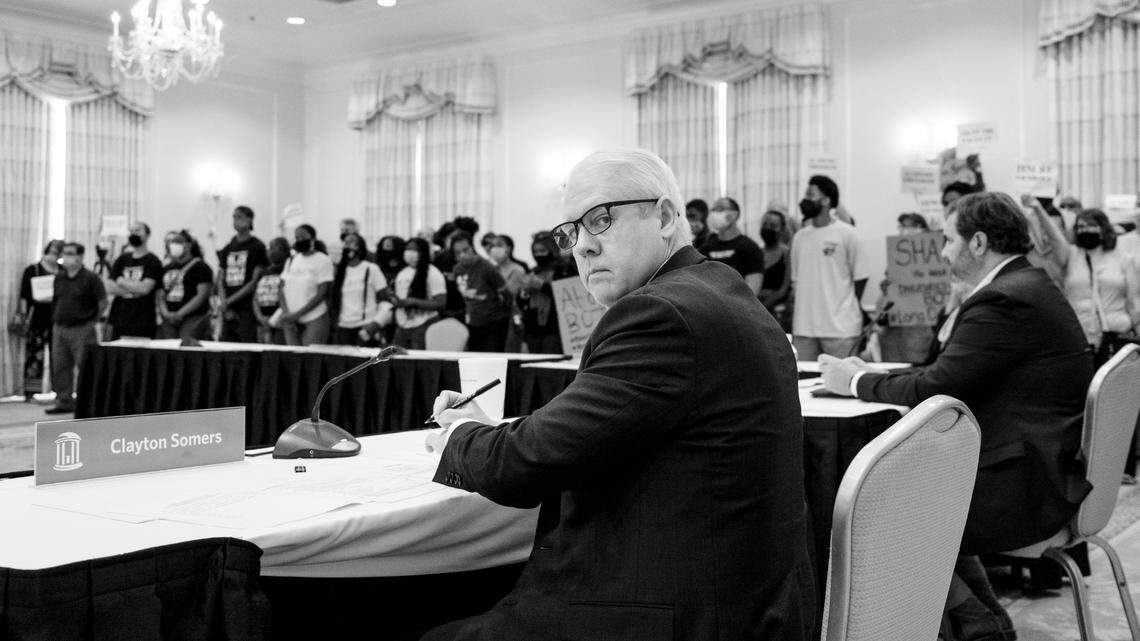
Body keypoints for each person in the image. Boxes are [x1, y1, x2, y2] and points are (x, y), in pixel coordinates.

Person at [420, 148, 815, 641]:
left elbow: (523, 466)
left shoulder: (660, 314)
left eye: (600, 220)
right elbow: (582, 434)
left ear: (666, 216)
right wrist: (491, 432)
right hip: (743, 603)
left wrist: (459, 433)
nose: (581, 247)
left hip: (670, 615)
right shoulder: (721, 293)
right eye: (572, 232)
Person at [819, 191, 1094, 641]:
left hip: (1025, 481)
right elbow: (951, 372)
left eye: (949, 240)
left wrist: (851, 383)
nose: (943, 252)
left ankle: (976, 624)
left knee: (875, 507)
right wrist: (868, 372)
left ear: (979, 243)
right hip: (1042, 462)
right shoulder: (1027, 285)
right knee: (915, 490)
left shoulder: (1003, 300)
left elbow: (934, 387)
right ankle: (984, 621)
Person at [790, 175, 870, 360]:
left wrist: (842, 304)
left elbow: (861, 277)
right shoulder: (800, 237)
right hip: (804, 328)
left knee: (842, 386)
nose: (805, 200)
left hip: (841, 329)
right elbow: (796, 280)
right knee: (803, 384)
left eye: (811, 195)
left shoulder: (848, 234)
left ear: (826, 200)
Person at [1060, 208, 1140, 364]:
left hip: (1116, 335)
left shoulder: (1124, 259)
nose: (1085, 230)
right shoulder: (1070, 256)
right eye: (1081, 227)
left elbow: (1134, 302)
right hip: (1079, 337)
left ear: (1103, 229)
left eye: (1090, 226)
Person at [45, 242, 107, 414]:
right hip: (60, 328)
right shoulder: (60, 277)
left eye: (70, 253)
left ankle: (86, 401)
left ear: (80, 257)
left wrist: (91, 322)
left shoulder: (91, 278)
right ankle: (64, 400)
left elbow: (102, 302)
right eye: (64, 253)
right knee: (59, 366)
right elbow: (56, 300)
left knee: (85, 366)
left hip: (82, 328)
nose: (65, 256)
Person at [516, 232, 578, 354]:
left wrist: (541, 286)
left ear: (552, 249)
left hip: (555, 330)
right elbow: (522, 304)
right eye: (535, 251)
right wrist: (523, 293)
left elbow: (567, 296)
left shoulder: (565, 269)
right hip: (533, 330)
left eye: (543, 250)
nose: (538, 255)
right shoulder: (533, 271)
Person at [17, 240, 63, 400]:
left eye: (57, 252)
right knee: (34, 356)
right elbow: (24, 295)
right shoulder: (33, 269)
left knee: (59, 357)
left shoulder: (63, 271)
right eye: (50, 251)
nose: (53, 255)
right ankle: (30, 392)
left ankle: (60, 391)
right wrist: (22, 316)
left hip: (58, 318)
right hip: (37, 318)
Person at [217, 206, 269, 343]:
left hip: (246, 306)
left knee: (246, 344)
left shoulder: (257, 246)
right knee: (226, 346)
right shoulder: (228, 247)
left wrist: (228, 301)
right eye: (234, 217)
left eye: (239, 216)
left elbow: (254, 281)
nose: (235, 220)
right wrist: (224, 303)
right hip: (227, 306)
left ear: (249, 219)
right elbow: (220, 278)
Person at [103, 222, 163, 341]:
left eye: (138, 230)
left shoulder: (153, 261)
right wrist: (134, 289)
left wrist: (121, 281)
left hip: (142, 319)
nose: (134, 233)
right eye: (131, 231)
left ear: (147, 235)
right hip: (119, 316)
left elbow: (145, 289)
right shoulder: (122, 259)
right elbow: (109, 286)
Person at [453, 232, 511, 352]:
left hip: (493, 322)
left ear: (472, 248)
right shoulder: (457, 269)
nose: (463, 255)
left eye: (465, 249)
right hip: (473, 322)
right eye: (458, 252)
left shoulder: (486, 267)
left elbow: (506, 293)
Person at [279, 224, 335, 346]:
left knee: (311, 358)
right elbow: (282, 288)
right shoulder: (292, 260)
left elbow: (322, 292)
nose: (299, 240)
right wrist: (287, 313)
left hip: (314, 316)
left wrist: (297, 314)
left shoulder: (323, 260)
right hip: (290, 318)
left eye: (302, 237)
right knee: (293, 358)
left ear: (313, 238)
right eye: (296, 237)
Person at [330, 232, 390, 346]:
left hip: (365, 325)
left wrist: (377, 322)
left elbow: (385, 297)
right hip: (344, 326)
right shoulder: (340, 271)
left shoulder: (370, 268)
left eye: (352, 242)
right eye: (345, 243)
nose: (347, 246)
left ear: (361, 248)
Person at [389, 237, 447, 349]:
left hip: (424, 324)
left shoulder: (433, 273)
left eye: (414, 250)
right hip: (402, 324)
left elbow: (441, 303)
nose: (410, 252)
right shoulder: (402, 272)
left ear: (423, 252)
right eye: (408, 249)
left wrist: (414, 302)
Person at [698, 197, 764, 295]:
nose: (715, 213)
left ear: (734, 214)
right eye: (713, 209)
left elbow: (753, 290)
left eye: (720, 208)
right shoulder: (705, 248)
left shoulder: (750, 248)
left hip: (736, 306)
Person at [157, 231, 213, 340]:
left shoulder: (201, 267)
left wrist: (180, 313)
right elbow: (160, 295)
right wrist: (165, 313)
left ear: (188, 245)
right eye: (172, 242)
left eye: (178, 242)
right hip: (168, 318)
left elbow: (202, 295)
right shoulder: (166, 268)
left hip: (193, 317)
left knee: (187, 346)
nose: (173, 245)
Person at [252, 237, 289, 345]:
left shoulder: (288, 271)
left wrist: (274, 319)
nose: (271, 252)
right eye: (269, 248)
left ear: (285, 251)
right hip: (262, 320)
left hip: (280, 320)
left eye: (275, 248)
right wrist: (260, 317)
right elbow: (255, 298)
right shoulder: (263, 272)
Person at [759, 209, 792, 323]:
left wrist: (762, 307)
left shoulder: (787, 254)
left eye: (773, 225)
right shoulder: (756, 253)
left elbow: (784, 289)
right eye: (765, 224)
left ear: (782, 230)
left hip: (779, 313)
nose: (768, 228)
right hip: (757, 308)